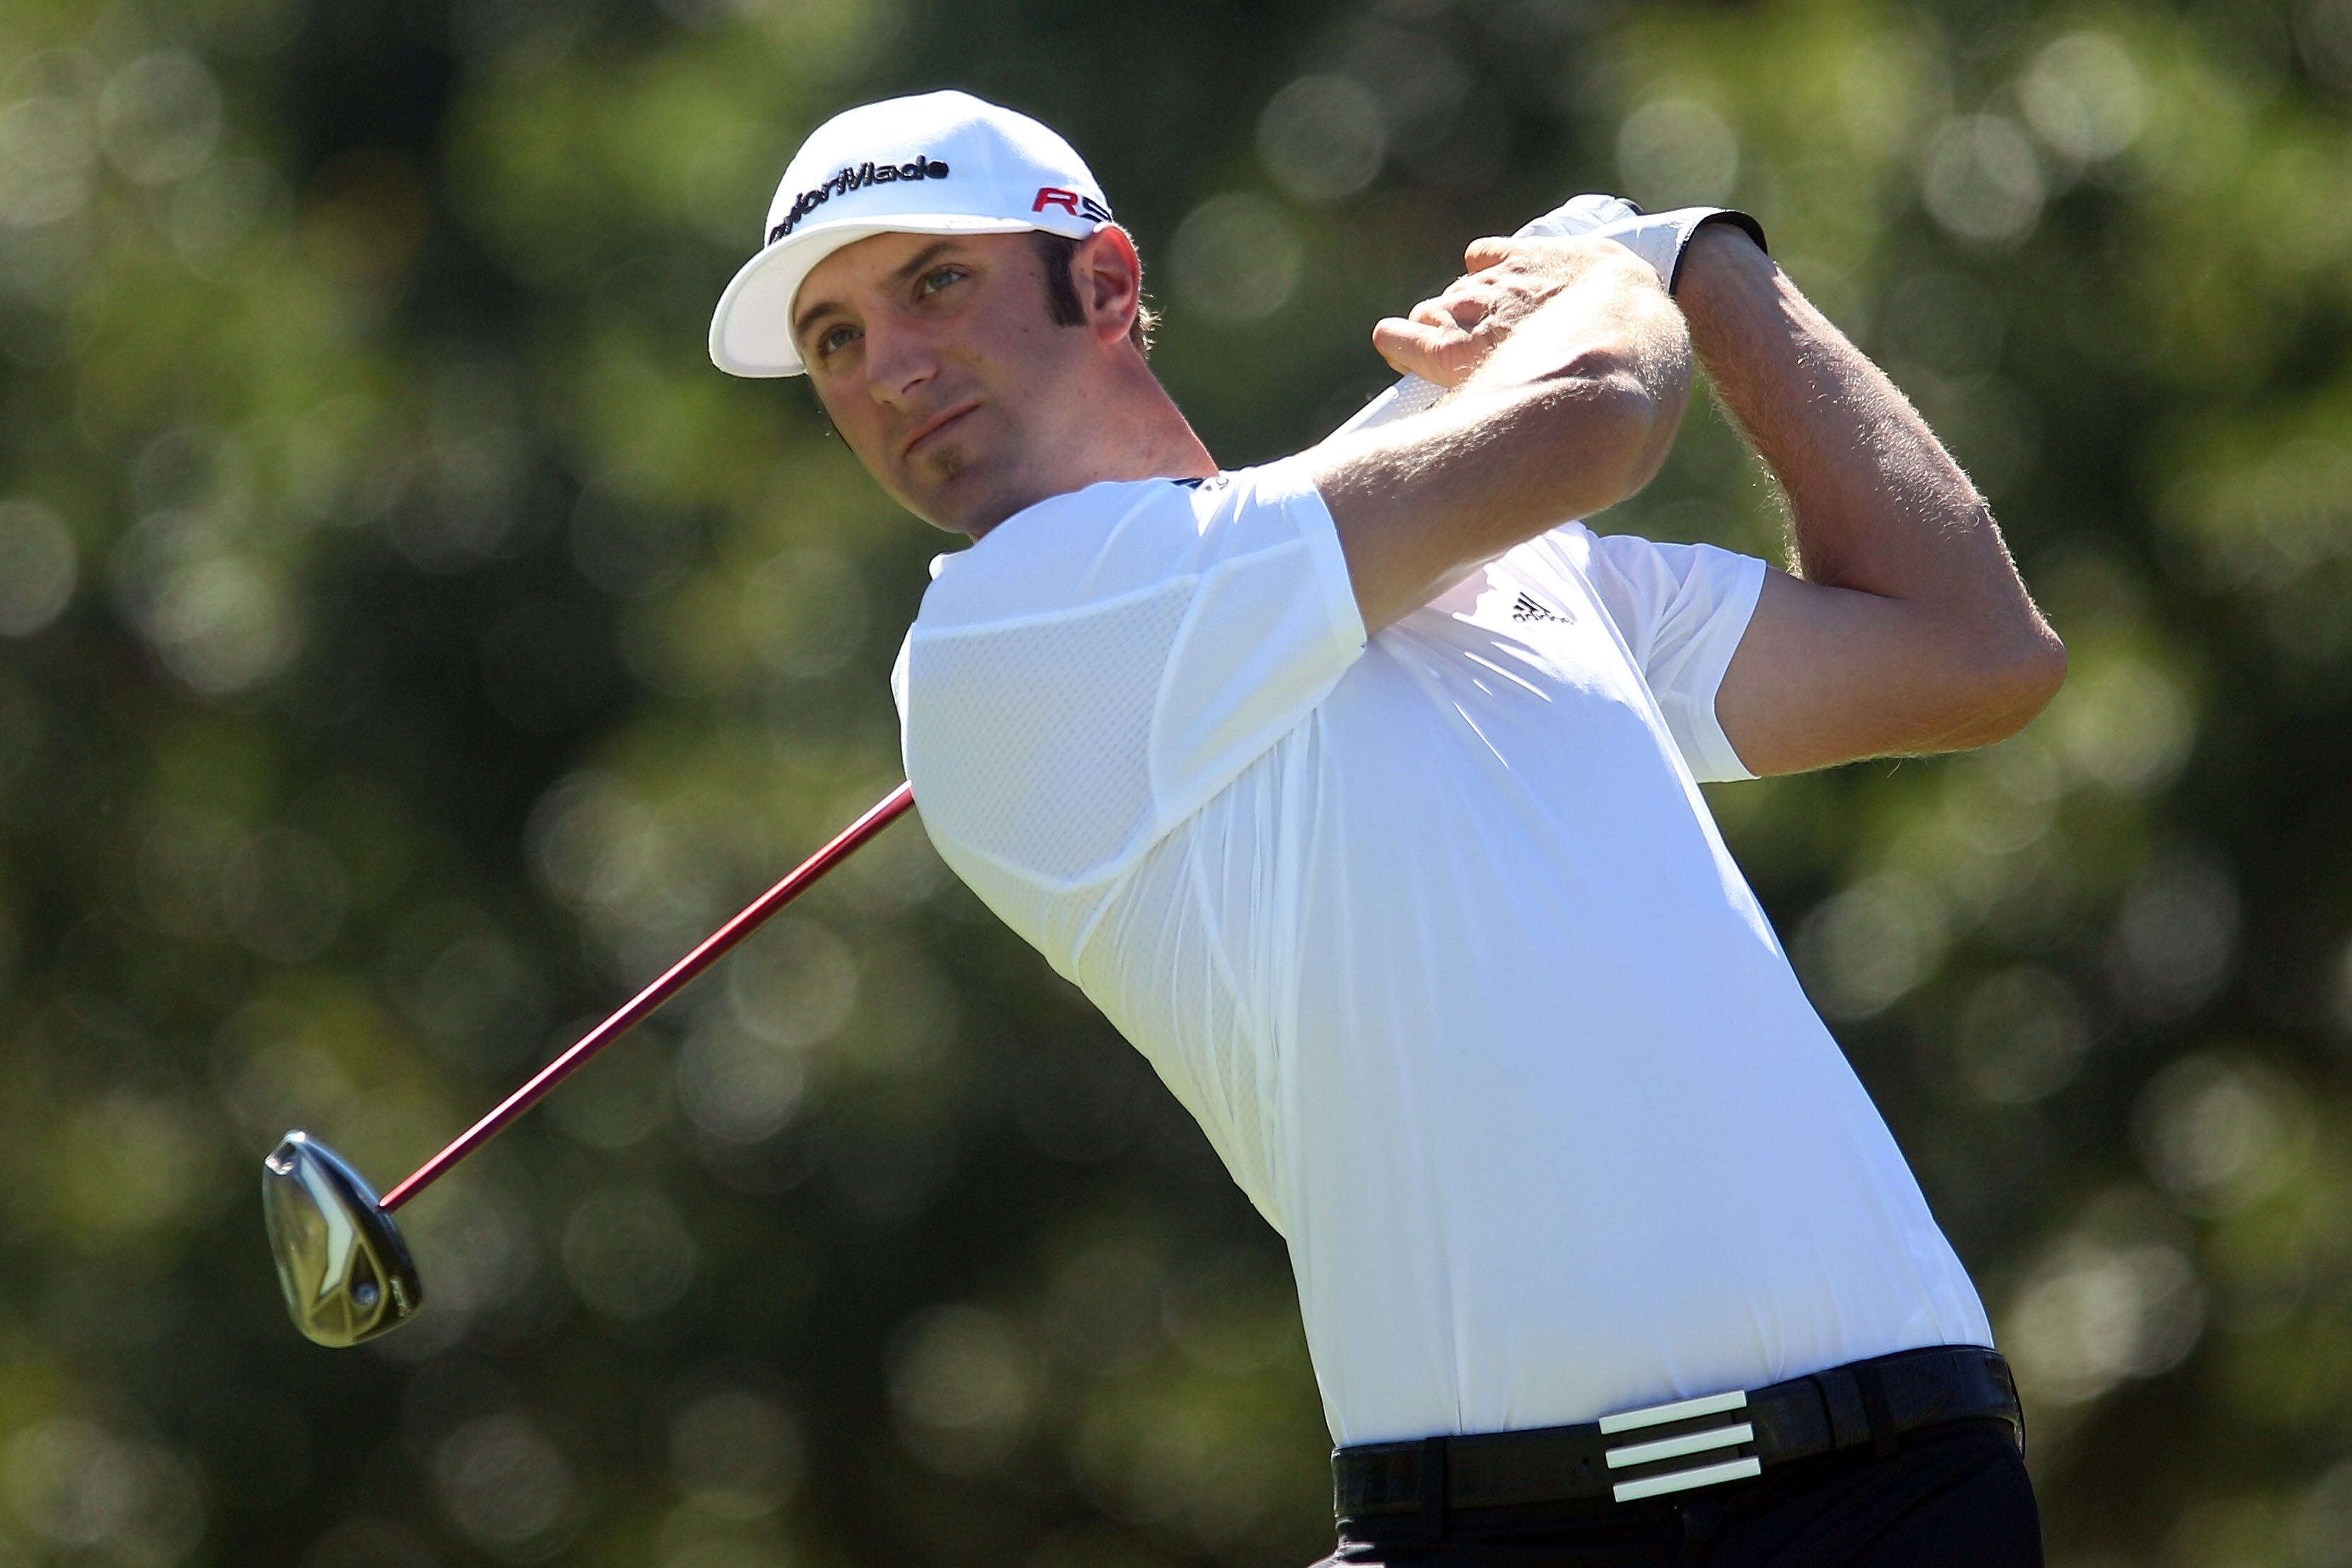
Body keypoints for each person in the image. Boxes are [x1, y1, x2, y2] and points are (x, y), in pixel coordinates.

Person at [708, 89, 2065, 1567]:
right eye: (836, 339)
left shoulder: (1518, 569)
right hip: (1496, 1531)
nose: (890, 367)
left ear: (1102, 282)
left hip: (1903, 1491)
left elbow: (1972, 650)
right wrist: (1619, 274)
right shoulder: (1003, 641)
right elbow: (1600, 413)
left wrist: (1716, 271)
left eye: (933, 284)